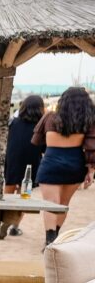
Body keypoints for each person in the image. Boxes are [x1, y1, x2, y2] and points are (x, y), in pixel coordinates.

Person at [32, 87, 95, 246]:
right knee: (63, 205)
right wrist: (91, 171)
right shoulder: (88, 121)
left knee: (50, 204)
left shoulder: (49, 117)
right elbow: (91, 147)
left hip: (51, 163)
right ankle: (55, 238)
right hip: (75, 164)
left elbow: (36, 141)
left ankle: (50, 239)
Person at [3, 95, 45, 236]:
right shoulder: (40, 126)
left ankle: (3, 221)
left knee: (8, 191)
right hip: (31, 162)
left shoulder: (13, 123)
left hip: (13, 159)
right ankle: (15, 227)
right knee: (24, 195)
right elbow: (44, 148)